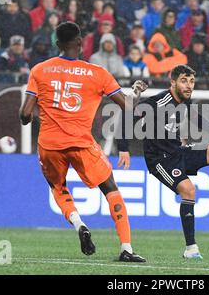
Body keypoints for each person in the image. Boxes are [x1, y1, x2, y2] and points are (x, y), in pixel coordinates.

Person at [19, 22, 146, 262]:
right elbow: (128, 106)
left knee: (58, 188)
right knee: (110, 189)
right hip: (81, 143)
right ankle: (126, 248)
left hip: (49, 145)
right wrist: (136, 91)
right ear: (80, 43)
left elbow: (25, 116)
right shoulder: (98, 73)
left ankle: (79, 225)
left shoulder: (39, 70)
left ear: (57, 44)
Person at [116, 64, 209, 259]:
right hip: (159, 160)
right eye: (184, 81)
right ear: (173, 82)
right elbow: (127, 119)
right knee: (188, 190)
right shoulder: (158, 102)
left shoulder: (184, 101)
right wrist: (123, 149)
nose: (188, 85)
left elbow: (194, 117)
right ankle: (191, 249)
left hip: (178, 151)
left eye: (191, 81)